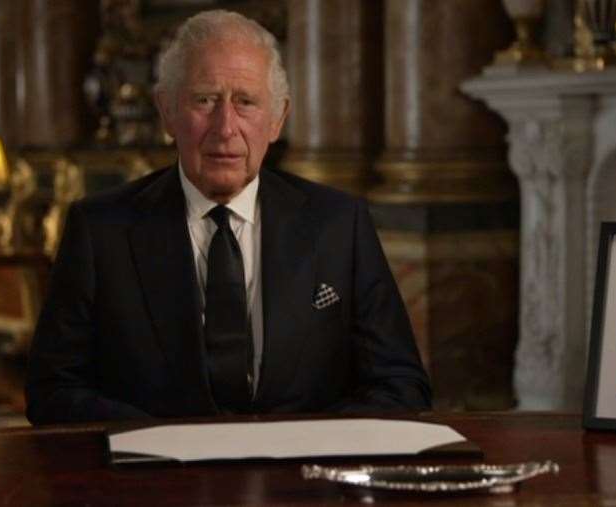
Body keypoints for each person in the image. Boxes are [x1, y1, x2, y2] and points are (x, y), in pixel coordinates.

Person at [25, 10, 431, 424]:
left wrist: (308, 445)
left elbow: (400, 384)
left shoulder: (340, 225)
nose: (225, 128)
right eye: (204, 100)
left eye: (246, 102)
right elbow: (52, 390)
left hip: (301, 481)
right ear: (167, 112)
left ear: (277, 119)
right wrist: (157, 442)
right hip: (155, 483)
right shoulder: (100, 230)